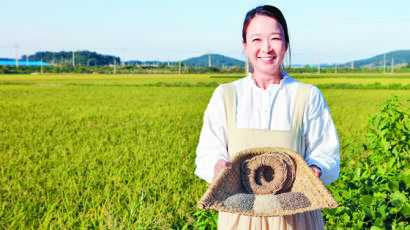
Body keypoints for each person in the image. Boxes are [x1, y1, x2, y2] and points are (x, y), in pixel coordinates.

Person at [194, 5, 340, 230]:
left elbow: (326, 152)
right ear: (244, 45)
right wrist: (216, 166)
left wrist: (316, 168)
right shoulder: (226, 94)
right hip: (239, 217)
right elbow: (207, 153)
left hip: (296, 218)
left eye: (275, 38)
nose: (266, 48)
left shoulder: (307, 95)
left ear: (286, 44)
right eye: (256, 40)